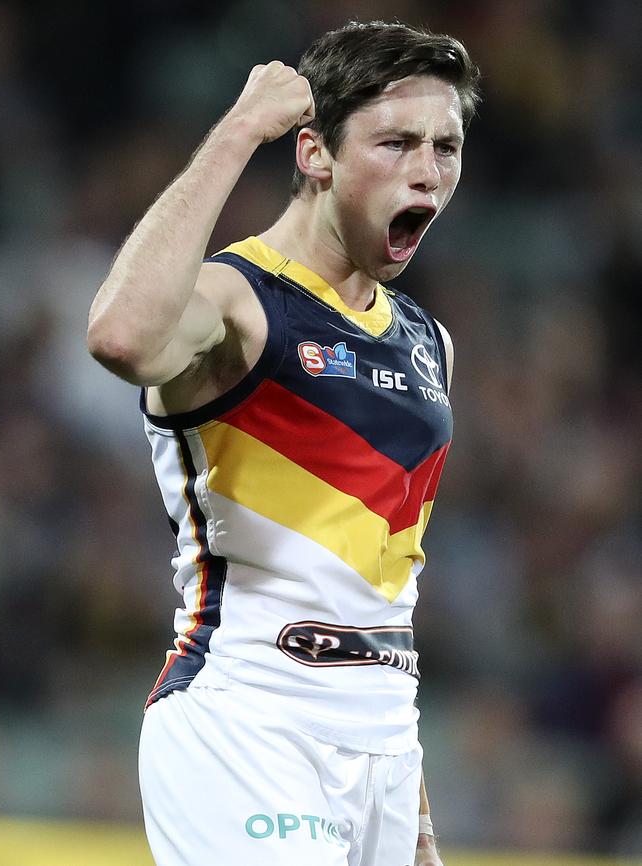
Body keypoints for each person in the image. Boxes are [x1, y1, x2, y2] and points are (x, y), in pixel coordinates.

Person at [87, 20, 480, 866]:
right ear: (314, 154)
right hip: (247, 715)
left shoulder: (428, 342)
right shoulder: (238, 298)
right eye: (397, 142)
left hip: (381, 738)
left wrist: (413, 809)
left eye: (446, 145)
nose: (428, 171)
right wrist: (237, 130)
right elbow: (120, 335)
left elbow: (386, 586)